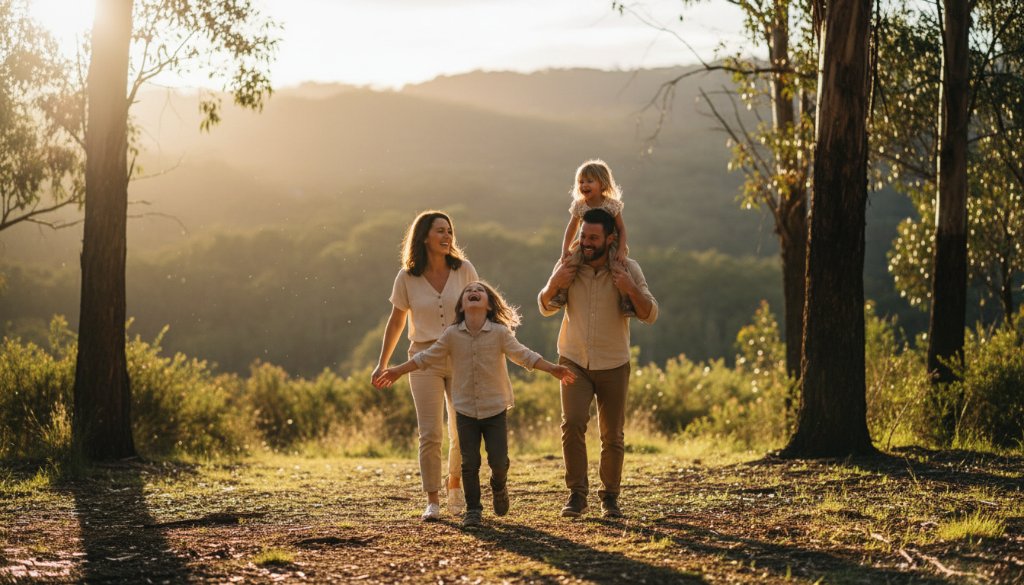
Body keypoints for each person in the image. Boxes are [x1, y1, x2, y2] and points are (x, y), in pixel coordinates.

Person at [377, 281, 576, 527]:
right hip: (465, 410)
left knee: (499, 461)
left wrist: (553, 368)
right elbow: (425, 358)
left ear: (489, 304)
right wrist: (397, 370)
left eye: (480, 291)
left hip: (495, 408)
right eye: (469, 291)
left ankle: (498, 485)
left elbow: (524, 355)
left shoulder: (500, 333)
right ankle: (474, 509)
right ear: (461, 304)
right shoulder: (451, 335)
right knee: (469, 463)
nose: (474, 292)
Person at [538, 207, 659, 519]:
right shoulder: (568, 265)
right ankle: (577, 495)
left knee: (612, 434)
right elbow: (544, 306)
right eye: (583, 236)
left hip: (614, 363)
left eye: (594, 237)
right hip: (573, 359)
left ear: (610, 238)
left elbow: (650, 313)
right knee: (573, 424)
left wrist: (629, 288)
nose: (587, 242)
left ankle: (610, 498)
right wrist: (554, 283)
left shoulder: (628, 268)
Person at [371, 210, 478, 521]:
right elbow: (396, 322)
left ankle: (454, 482)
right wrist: (383, 364)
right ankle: (432, 499)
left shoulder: (464, 270)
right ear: (424, 237)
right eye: (440, 231)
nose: (447, 237)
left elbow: (480, 308)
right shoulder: (407, 277)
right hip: (422, 361)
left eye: (449, 231)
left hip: (461, 356)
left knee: (462, 430)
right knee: (430, 432)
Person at [549, 159, 634, 316]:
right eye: (581, 182)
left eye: (589, 181)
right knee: (570, 264)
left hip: (611, 243)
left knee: (618, 268)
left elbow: (621, 229)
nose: (584, 185)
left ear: (602, 184)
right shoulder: (580, 205)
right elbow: (572, 228)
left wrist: (621, 250)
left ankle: (626, 300)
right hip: (586, 242)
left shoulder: (611, 205)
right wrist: (565, 249)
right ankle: (561, 294)